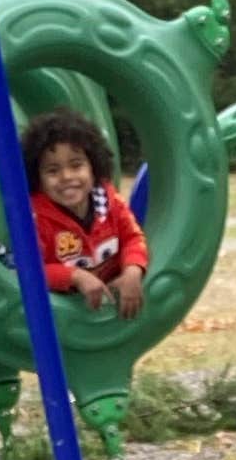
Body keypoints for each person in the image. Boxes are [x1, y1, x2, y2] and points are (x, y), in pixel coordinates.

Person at [23, 106, 148, 319]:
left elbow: (132, 238)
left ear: (93, 167)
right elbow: (31, 270)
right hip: (62, 315)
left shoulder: (110, 201)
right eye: (52, 170)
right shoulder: (35, 217)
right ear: (38, 178)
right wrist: (75, 276)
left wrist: (133, 269)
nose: (66, 176)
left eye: (76, 165)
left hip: (108, 311)